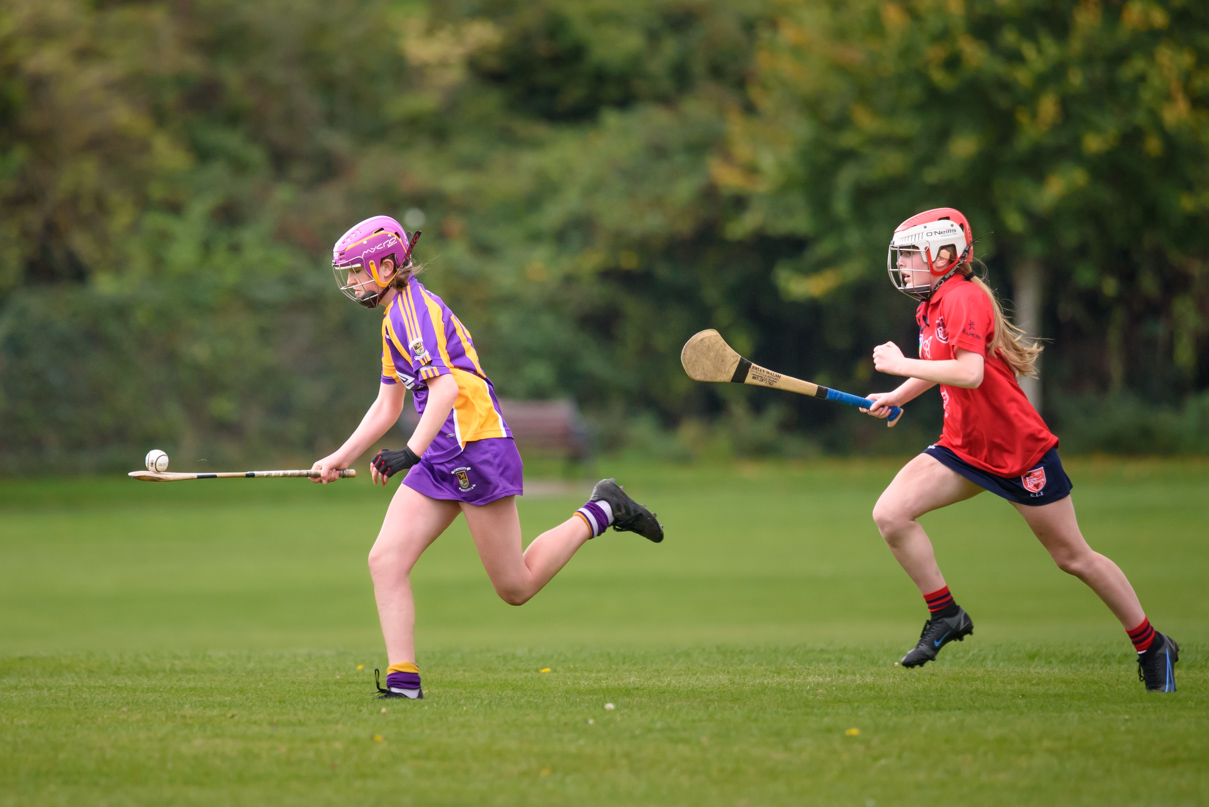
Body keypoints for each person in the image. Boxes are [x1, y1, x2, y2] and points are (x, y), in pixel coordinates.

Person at [311, 215, 664, 700]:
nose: (352, 283)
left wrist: (408, 454)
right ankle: (403, 683)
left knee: (515, 587)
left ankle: (603, 509)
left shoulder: (412, 313)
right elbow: (388, 403)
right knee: (386, 560)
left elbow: (446, 389)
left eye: (357, 271)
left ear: (387, 265)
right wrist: (339, 456)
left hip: (476, 449)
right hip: (439, 453)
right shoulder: (393, 320)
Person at [863, 207, 1178, 692]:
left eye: (910, 257)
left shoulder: (965, 298)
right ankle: (945, 613)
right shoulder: (932, 304)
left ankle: (1151, 643)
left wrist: (898, 363)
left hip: (1018, 452)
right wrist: (897, 394)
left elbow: (968, 372)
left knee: (1073, 557)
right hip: (963, 448)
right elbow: (938, 365)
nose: (903, 267)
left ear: (943, 254)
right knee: (891, 514)